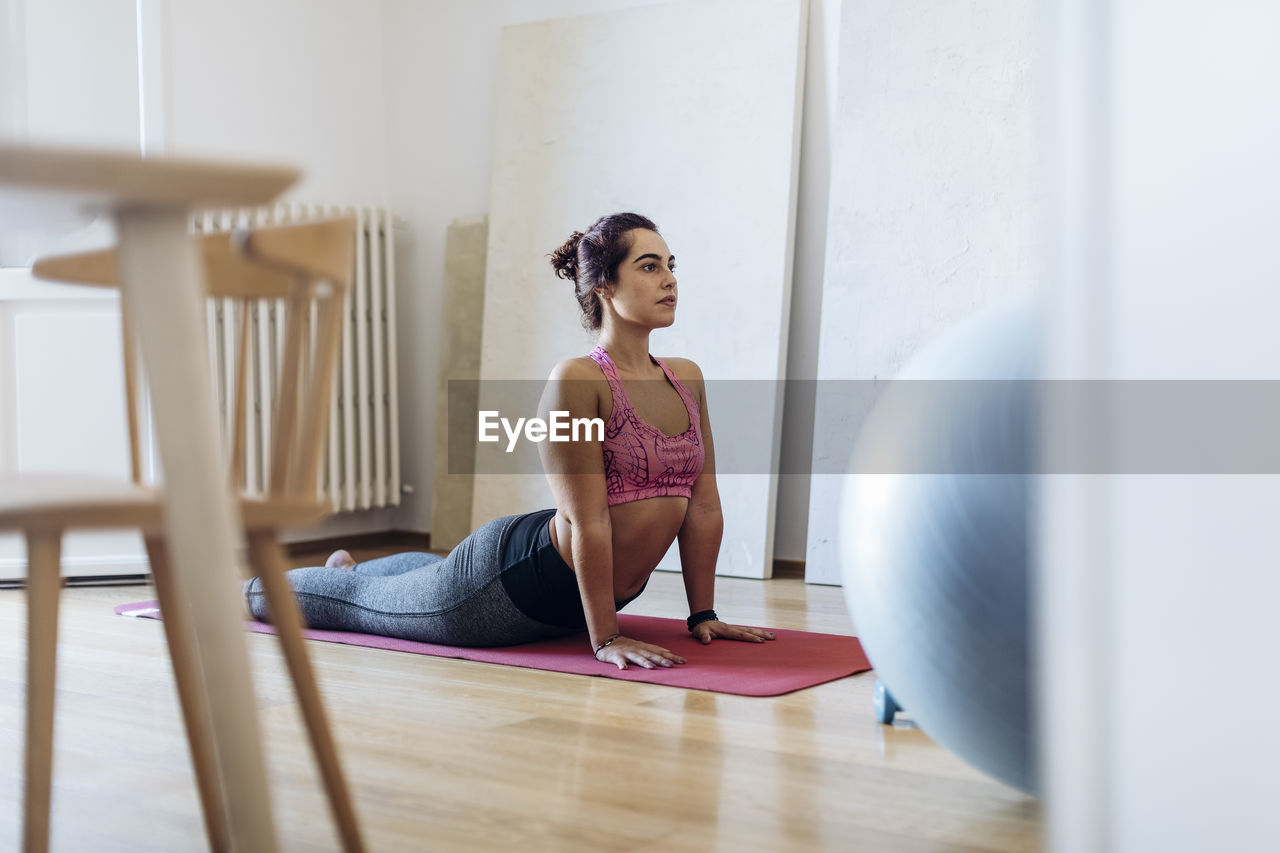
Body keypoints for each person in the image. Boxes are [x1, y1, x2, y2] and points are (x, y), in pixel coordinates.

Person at [244, 212, 775, 669]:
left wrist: (703, 615)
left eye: (670, 265)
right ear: (605, 287)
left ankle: (352, 568)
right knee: (361, 604)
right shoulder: (577, 380)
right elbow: (587, 521)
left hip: (577, 595)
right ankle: (253, 589)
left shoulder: (686, 378)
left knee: (409, 577)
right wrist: (606, 637)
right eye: (649, 266)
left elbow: (702, 506)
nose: (669, 280)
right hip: (506, 589)